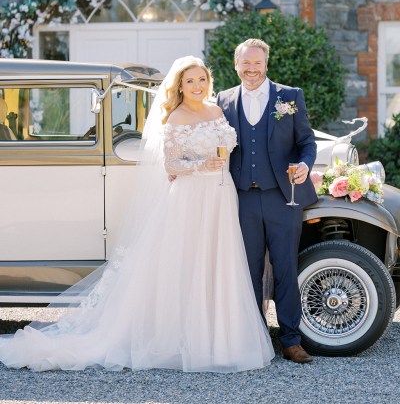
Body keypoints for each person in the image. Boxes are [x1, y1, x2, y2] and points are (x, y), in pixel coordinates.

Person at [0, 56, 274, 373]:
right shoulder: (175, 117)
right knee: (188, 265)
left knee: (217, 264)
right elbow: (172, 166)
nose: (197, 86)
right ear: (180, 87)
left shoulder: (217, 110)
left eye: (201, 80)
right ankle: (184, 339)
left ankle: (220, 339)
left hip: (222, 197)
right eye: (190, 81)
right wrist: (201, 165)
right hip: (192, 197)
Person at [216, 39, 318, 364]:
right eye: (245, 64)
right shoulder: (224, 100)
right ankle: (256, 337)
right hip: (242, 197)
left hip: (282, 197)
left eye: (256, 63)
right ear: (236, 65)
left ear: (266, 64)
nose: (251, 69)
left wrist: (304, 165)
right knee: (249, 270)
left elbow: (307, 142)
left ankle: (290, 339)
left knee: (286, 268)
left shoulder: (290, 97)